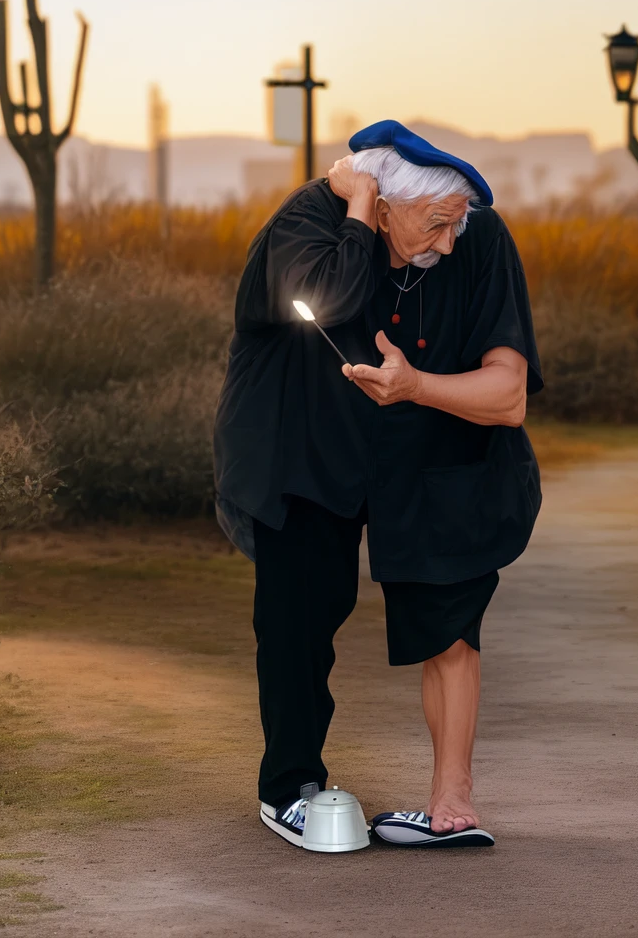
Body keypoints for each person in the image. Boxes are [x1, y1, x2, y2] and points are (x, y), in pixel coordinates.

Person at [214, 120, 543, 848]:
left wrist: (418, 386)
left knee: (448, 608)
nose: (448, 243)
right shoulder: (307, 218)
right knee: (300, 613)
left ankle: (451, 802)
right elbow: (326, 300)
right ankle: (290, 789)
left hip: (428, 439)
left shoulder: (478, 238)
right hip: (302, 439)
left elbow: (510, 397)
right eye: (435, 224)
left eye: (456, 225)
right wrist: (359, 206)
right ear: (388, 200)